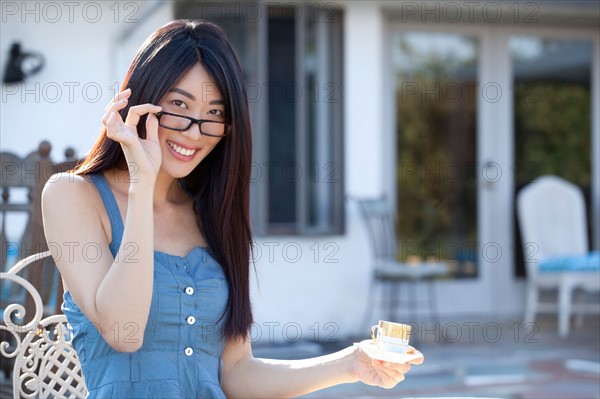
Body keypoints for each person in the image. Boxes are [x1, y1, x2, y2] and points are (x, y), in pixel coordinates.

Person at [42, 19, 423, 398]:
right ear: (140, 102)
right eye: (179, 105)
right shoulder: (73, 196)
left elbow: (237, 371)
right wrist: (143, 183)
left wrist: (349, 363)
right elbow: (123, 330)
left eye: (215, 114)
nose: (194, 132)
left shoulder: (212, 215)